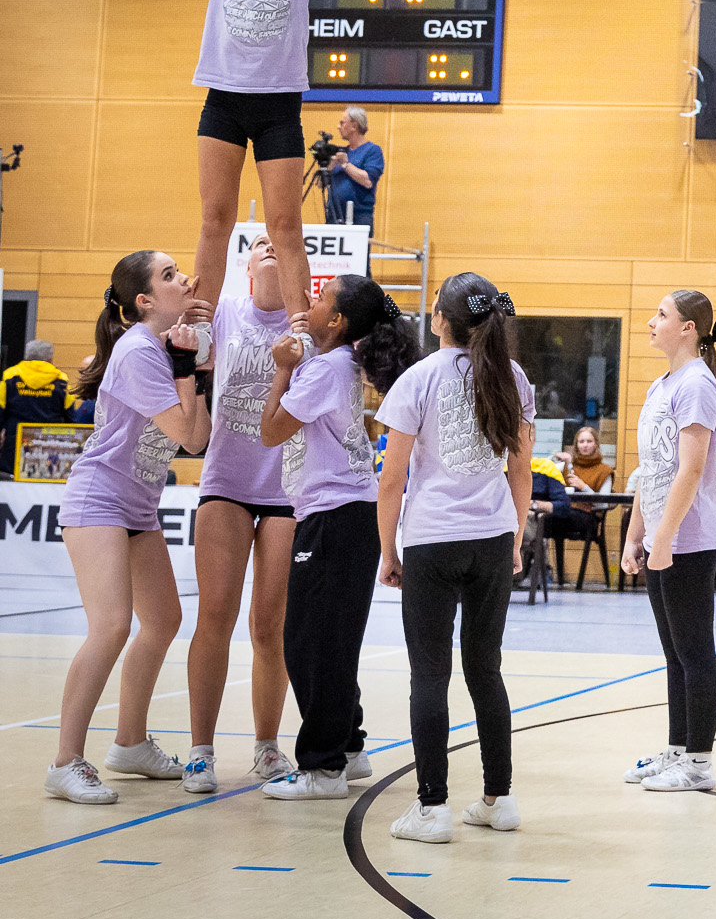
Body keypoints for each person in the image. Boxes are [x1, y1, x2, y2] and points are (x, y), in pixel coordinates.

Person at [136, 0, 400, 364]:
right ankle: (201, 327)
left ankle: (301, 326)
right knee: (215, 218)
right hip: (224, 100)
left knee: (284, 223)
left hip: (279, 104)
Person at [45, 251, 210, 804]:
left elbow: (201, 435)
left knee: (163, 619)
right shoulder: (140, 351)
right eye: (169, 276)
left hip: (138, 504)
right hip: (100, 498)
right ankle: (66, 761)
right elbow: (185, 436)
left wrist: (199, 366)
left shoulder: (167, 349)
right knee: (111, 626)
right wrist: (189, 369)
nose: (183, 278)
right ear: (144, 302)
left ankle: (130, 744)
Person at [375, 272, 534, 842]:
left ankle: (433, 808)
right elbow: (521, 471)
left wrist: (387, 548)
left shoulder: (417, 379)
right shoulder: (513, 377)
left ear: (439, 320)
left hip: (432, 539)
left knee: (429, 674)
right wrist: (514, 538)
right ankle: (499, 799)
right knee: (485, 669)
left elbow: (391, 478)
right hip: (492, 538)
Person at [257, 273, 420, 799]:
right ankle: (348, 747)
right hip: (350, 515)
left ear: (337, 321)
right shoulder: (340, 365)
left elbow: (271, 430)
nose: (311, 302)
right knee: (332, 638)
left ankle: (322, 767)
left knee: (308, 643)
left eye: (322, 299)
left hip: (334, 515)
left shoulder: (323, 369)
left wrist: (281, 370)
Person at [183, 233, 298, 795]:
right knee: (214, 618)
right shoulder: (225, 312)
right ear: (246, 264)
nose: (270, 246)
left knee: (268, 626)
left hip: (286, 490)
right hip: (226, 482)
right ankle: (201, 751)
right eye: (258, 244)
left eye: (280, 242)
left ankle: (268, 747)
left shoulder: (305, 326)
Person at [619, 290, 716, 794]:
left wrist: (664, 538)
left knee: (694, 650)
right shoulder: (662, 385)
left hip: (692, 537)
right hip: (664, 536)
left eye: (661, 315)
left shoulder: (698, 385)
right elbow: (654, 471)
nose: (651, 321)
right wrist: (635, 534)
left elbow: (690, 469)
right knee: (674, 653)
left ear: (688, 328)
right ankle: (679, 749)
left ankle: (699, 764)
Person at [3, 339, 79, 477]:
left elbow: (1, 408)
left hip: (14, 442)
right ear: (49, 359)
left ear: (26, 356)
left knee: (11, 483)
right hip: (47, 444)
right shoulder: (62, 379)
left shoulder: (9, 376)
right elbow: (70, 415)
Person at [325, 107, 385, 237]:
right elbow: (324, 183)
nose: (338, 126)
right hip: (334, 215)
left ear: (354, 125)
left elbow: (368, 181)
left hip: (359, 216)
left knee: (358, 257)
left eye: (342, 122)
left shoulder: (372, 150)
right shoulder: (341, 152)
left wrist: (345, 164)